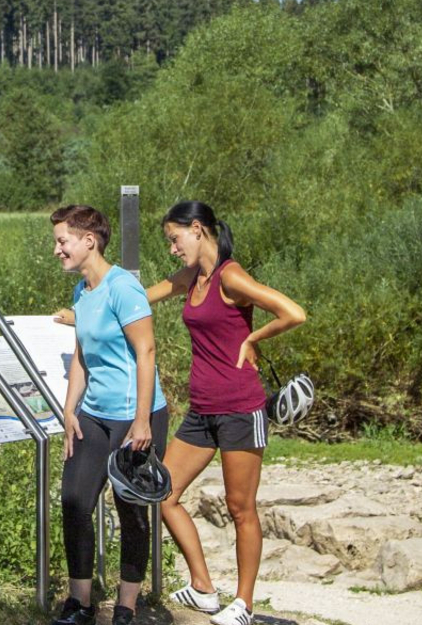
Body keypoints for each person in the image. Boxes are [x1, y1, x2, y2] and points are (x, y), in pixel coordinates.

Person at [150, 201, 306, 625]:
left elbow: (293, 313)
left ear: (197, 230)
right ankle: (203, 588)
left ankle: (243, 604)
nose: (172, 249)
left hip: (240, 408)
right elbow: (142, 299)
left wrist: (253, 338)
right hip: (201, 411)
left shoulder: (230, 276)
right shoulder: (192, 278)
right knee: (163, 494)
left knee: (241, 508)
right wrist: (86, 312)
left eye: (174, 239)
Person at [49, 204, 168, 625]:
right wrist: (70, 408)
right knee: (74, 501)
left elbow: (146, 351)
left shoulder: (124, 288)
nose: (57, 250)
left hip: (135, 416)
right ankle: (80, 603)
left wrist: (141, 420)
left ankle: (125, 607)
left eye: (62, 241)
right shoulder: (82, 292)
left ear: (89, 241)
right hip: (94, 415)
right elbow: (82, 354)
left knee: (130, 510)